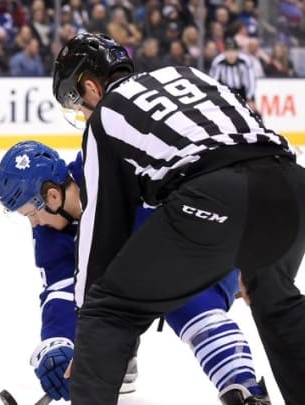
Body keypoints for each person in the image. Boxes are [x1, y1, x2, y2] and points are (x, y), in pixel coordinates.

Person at [51, 32, 305, 405]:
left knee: (106, 309)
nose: (83, 114)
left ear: (90, 86)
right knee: (277, 303)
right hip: (290, 184)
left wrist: (87, 331)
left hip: (217, 192)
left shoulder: (106, 116)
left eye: (78, 105)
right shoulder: (189, 74)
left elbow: (101, 229)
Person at [0, 141, 270, 405]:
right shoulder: (49, 233)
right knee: (106, 283)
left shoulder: (107, 167)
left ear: (51, 196)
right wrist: (57, 344)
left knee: (183, 299)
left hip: (213, 232)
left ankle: (244, 386)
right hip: (163, 257)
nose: (35, 223)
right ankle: (118, 356)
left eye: (32, 213)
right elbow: (60, 289)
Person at [209, 37, 259, 113]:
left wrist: (250, 98)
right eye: (228, 51)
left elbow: (251, 81)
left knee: (254, 114)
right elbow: (213, 81)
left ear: (238, 51)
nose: (231, 54)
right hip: (224, 93)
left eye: (233, 51)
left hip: (242, 93)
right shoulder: (218, 62)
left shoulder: (245, 61)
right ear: (224, 52)